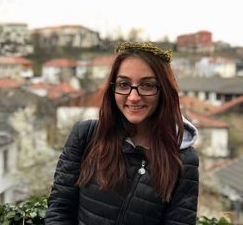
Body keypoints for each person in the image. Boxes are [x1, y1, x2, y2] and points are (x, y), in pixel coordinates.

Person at [45, 42, 199, 225]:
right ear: (113, 88)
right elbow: (59, 209)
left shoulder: (182, 158)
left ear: (163, 91)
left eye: (147, 85)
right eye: (124, 84)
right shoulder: (85, 136)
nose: (133, 97)